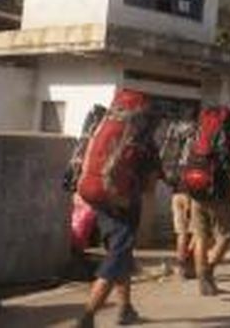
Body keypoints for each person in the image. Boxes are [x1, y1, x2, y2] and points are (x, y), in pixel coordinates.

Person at [77, 110, 161, 328]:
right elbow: (150, 186)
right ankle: (87, 316)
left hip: (99, 199)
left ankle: (125, 309)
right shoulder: (146, 143)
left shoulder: (107, 130)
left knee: (121, 252)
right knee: (116, 258)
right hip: (124, 205)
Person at [189, 107, 230, 297]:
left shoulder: (199, 132)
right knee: (227, 235)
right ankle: (207, 271)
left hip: (196, 191)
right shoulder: (225, 135)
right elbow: (227, 164)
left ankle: (202, 277)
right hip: (218, 194)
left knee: (200, 236)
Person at [158, 116, 197, 280]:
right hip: (191, 194)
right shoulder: (194, 143)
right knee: (197, 232)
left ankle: (181, 268)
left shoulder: (174, 144)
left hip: (176, 192)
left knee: (181, 233)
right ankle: (190, 267)